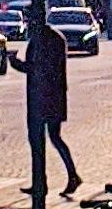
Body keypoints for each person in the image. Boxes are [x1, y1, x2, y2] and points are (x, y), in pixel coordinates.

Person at [9, 15, 81, 198]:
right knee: (53, 137)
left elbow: (38, 69)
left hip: (42, 97)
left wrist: (16, 63)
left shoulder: (44, 40)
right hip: (53, 96)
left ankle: (45, 180)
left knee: (39, 139)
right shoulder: (54, 37)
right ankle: (58, 177)